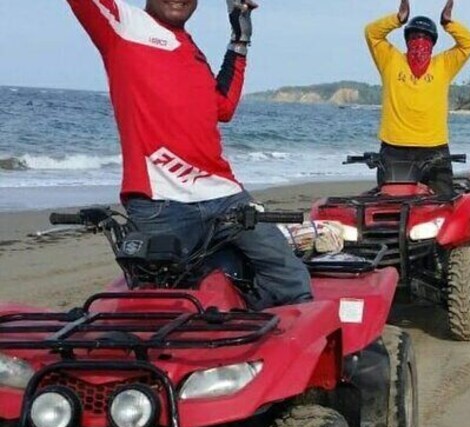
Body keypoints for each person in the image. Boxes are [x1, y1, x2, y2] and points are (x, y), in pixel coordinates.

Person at [65, 0, 312, 308]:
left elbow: (223, 107)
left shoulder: (188, 46)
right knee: (159, 309)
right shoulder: (123, 25)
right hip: (160, 205)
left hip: (226, 196)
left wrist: (239, 39)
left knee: (289, 278)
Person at [365, 0, 470, 196]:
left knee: (443, 203)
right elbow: (372, 33)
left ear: (433, 43)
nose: (420, 41)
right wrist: (398, 19)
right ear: (407, 40)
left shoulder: (443, 65)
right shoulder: (390, 60)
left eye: (425, 37)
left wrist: (448, 24)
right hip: (395, 148)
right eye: (415, 36)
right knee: (391, 204)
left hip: (434, 148)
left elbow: (469, 43)